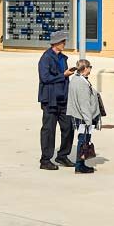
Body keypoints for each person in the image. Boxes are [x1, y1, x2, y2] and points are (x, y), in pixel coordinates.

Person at [37, 34, 72, 170]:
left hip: (63, 99)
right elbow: (45, 78)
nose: (64, 43)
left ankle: (62, 155)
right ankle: (45, 160)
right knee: (48, 130)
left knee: (68, 127)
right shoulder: (45, 58)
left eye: (64, 41)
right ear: (55, 43)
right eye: (62, 41)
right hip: (50, 99)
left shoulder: (63, 58)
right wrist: (62, 75)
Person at [66, 58, 106, 175]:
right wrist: (88, 120)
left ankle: (81, 164)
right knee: (83, 141)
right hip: (83, 117)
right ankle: (80, 165)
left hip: (80, 115)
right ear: (85, 68)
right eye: (90, 67)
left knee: (83, 140)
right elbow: (84, 103)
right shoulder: (81, 83)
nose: (90, 70)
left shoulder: (76, 79)